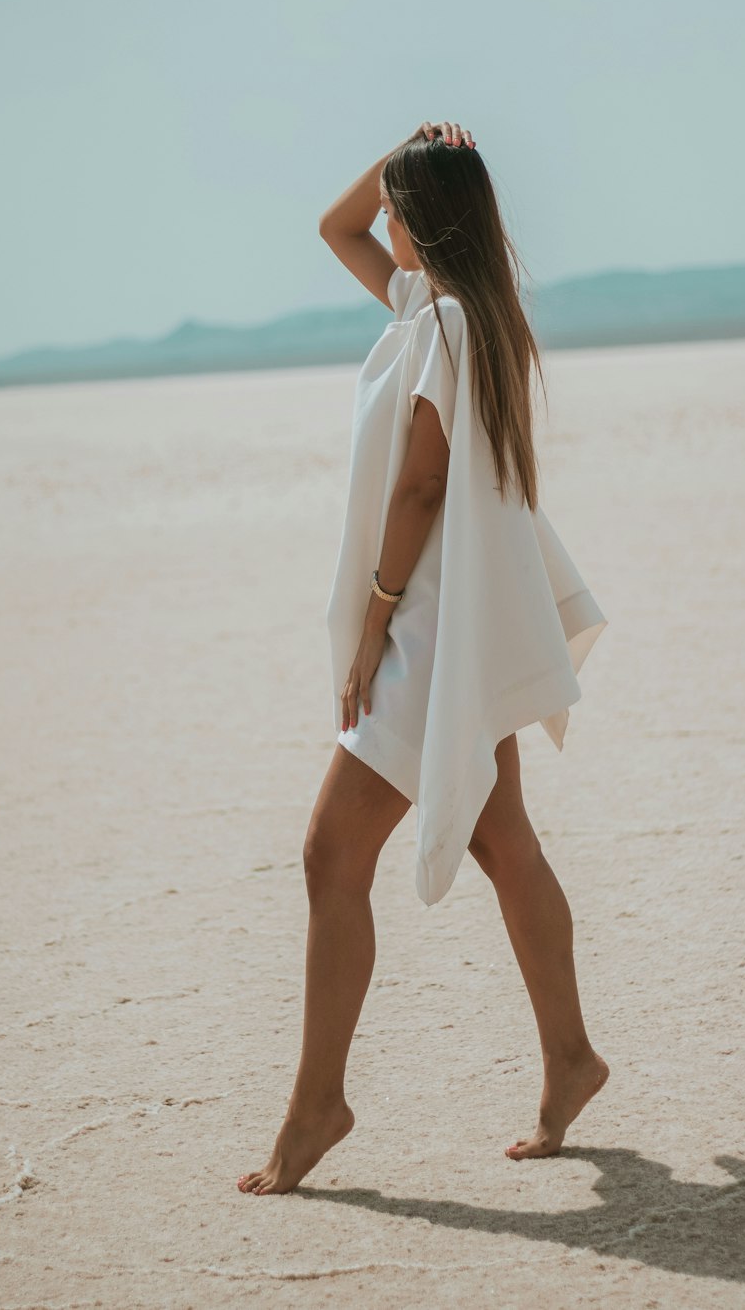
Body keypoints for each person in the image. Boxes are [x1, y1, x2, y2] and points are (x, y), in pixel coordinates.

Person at [238, 120, 609, 1198]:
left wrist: (373, 619)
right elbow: (335, 223)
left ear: (426, 224)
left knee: (327, 854)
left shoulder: (444, 323)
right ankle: (571, 1060)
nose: (381, 221)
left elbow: (418, 488)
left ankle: (318, 1106)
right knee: (504, 841)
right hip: (469, 617)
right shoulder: (456, 312)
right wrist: (406, 146)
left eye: (400, 205)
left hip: (434, 626)